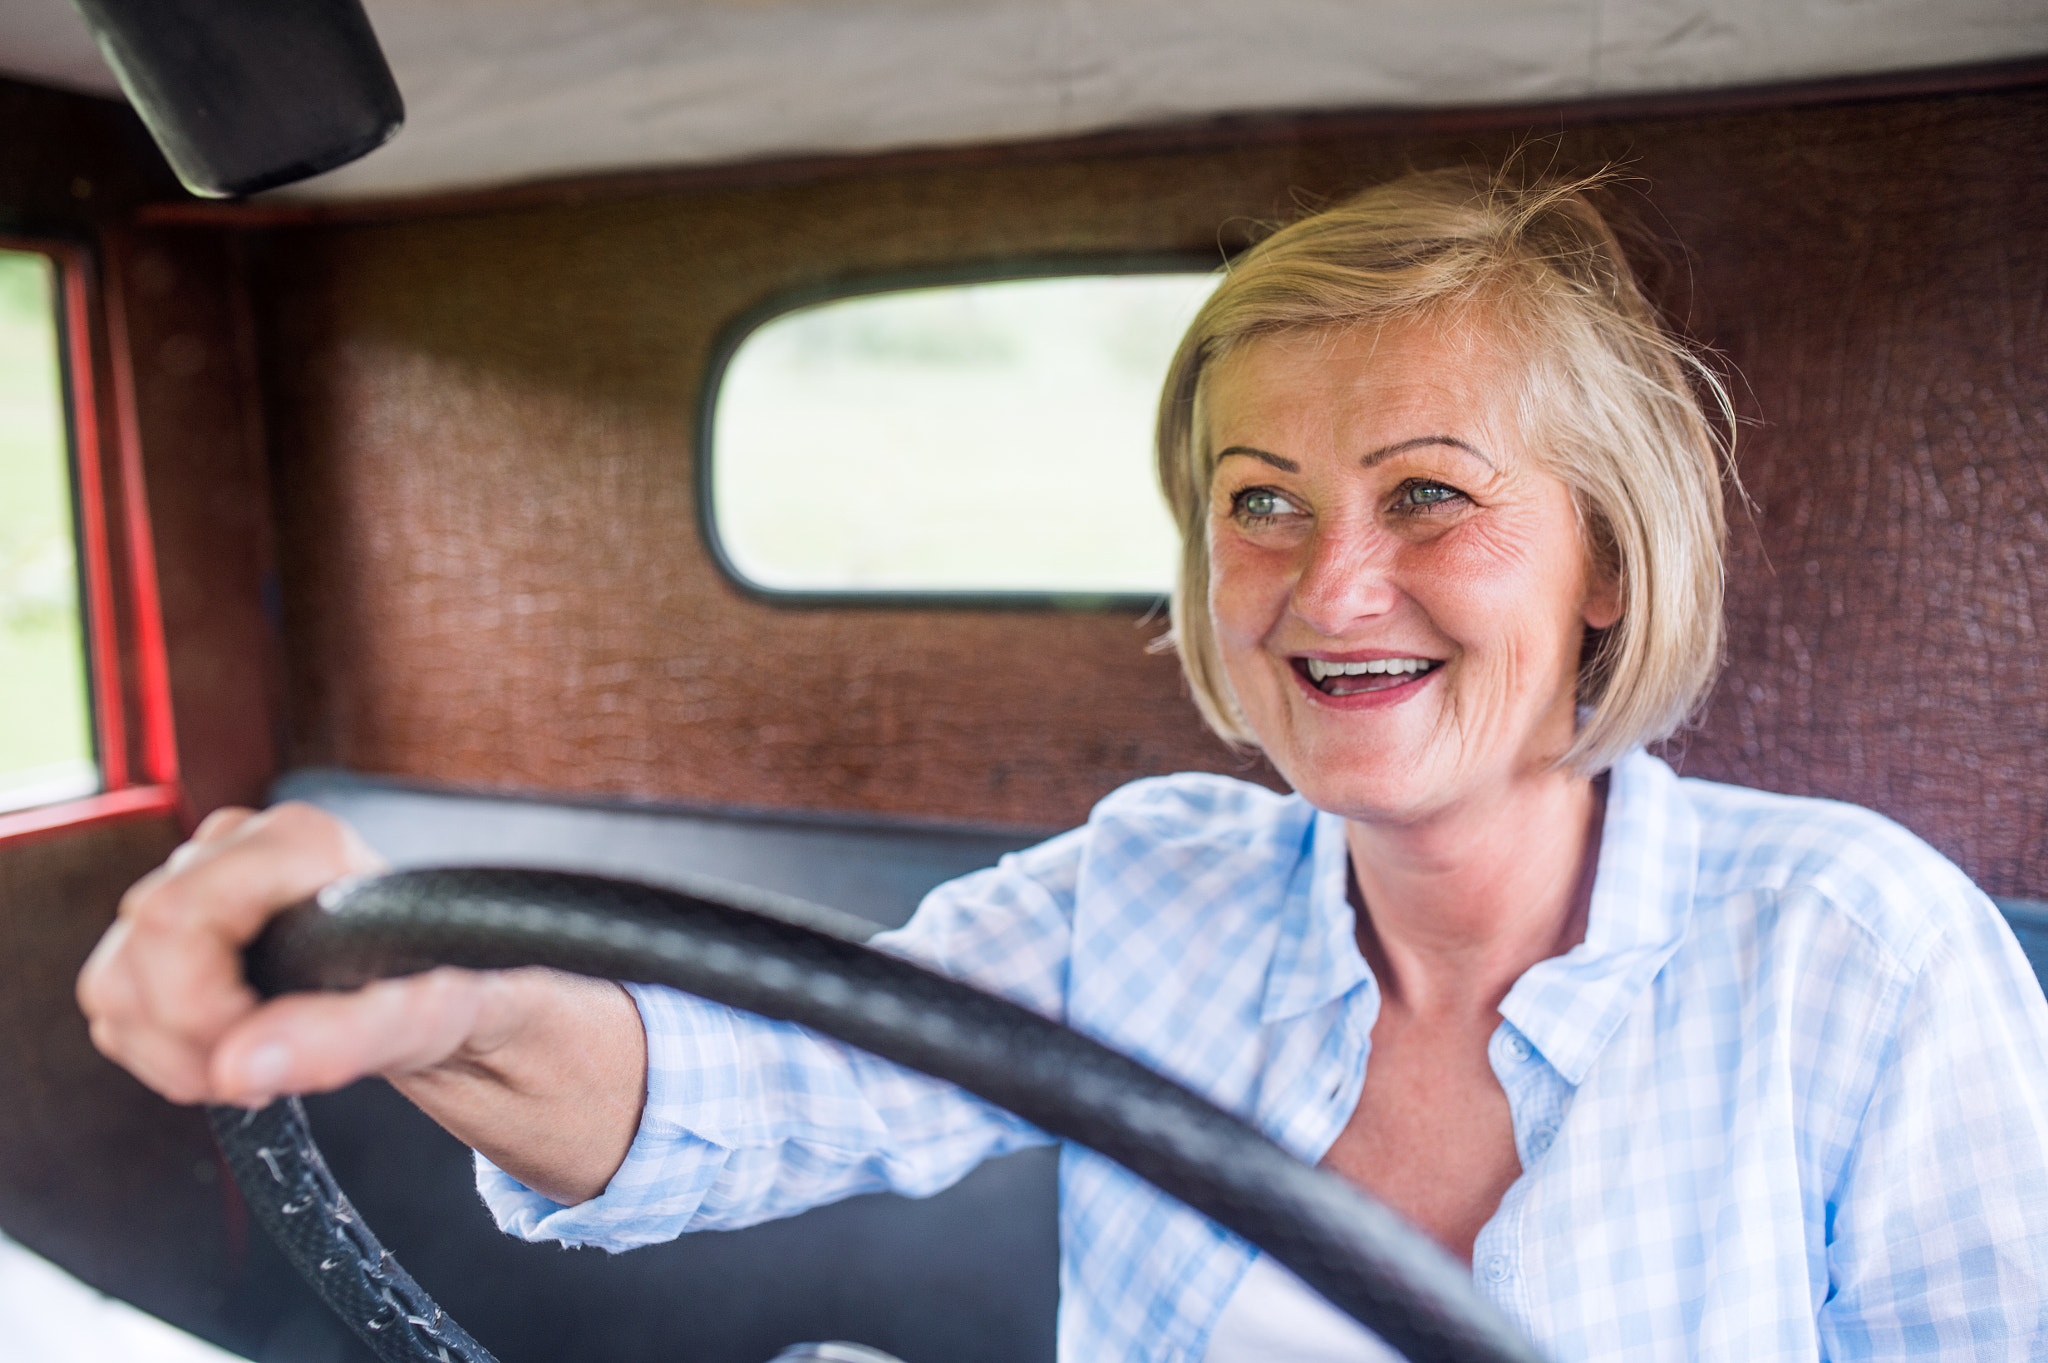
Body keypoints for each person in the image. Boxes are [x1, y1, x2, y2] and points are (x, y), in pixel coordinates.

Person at [78, 167, 2048, 1361]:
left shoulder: (1856, 952)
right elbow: (750, 1086)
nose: (1328, 580)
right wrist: (424, 998)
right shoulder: (1148, 885)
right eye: (1258, 500)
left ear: (1606, 560)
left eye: (1428, 492)